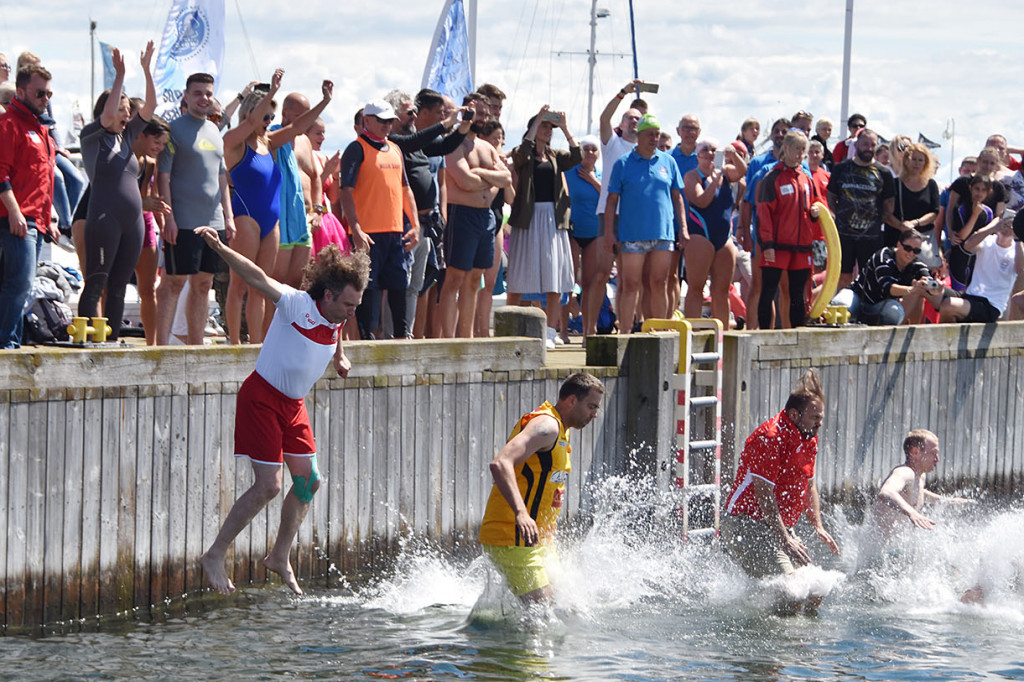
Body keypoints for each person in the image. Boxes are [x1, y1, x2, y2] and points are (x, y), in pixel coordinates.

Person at [197, 225, 369, 596]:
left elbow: (335, 334)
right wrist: (220, 248)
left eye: (357, 305)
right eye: (349, 304)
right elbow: (255, 275)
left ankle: (279, 556)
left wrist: (340, 358)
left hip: (293, 405)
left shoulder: (337, 317)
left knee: (309, 481)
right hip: (262, 397)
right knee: (269, 486)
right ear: (327, 294)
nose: (353, 312)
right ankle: (215, 554)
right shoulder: (296, 304)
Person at [478, 372, 604, 603]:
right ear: (572, 400)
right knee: (542, 610)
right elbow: (500, 463)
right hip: (514, 537)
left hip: (540, 542)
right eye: (591, 406)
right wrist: (521, 513)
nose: (595, 414)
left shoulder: (562, 429)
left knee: (569, 606)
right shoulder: (547, 426)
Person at [722, 369, 840, 609]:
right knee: (794, 593)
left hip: (777, 526)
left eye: (821, 417)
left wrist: (817, 525)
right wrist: (785, 538)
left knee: (816, 592)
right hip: (746, 523)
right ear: (795, 414)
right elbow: (763, 494)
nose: (820, 423)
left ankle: (802, 642)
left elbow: (810, 485)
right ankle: (776, 643)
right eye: (815, 417)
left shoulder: (808, 437)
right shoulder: (771, 436)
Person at [78, 43, 157, 342]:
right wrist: (120, 76)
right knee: (97, 282)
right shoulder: (92, 137)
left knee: (122, 283)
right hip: (104, 216)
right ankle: (88, 340)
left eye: (128, 111)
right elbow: (109, 112)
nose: (126, 115)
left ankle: (110, 342)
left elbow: (150, 106)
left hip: (132, 221)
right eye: (122, 110)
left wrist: (147, 71)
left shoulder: (128, 137)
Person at [156, 72, 236, 345]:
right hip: (183, 221)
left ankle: (195, 344)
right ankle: (162, 347)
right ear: (187, 96)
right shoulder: (174, 130)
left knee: (204, 284)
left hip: (212, 222)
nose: (204, 98)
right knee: (173, 283)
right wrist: (169, 218)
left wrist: (229, 216)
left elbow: (222, 177)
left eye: (208, 93)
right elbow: (163, 176)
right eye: (198, 93)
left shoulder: (215, 130)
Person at [339, 98, 420, 339]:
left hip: (395, 231)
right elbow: (346, 191)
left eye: (390, 121)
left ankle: (402, 333)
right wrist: (355, 227)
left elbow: (406, 189)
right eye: (382, 121)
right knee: (368, 287)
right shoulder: (356, 149)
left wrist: (414, 224)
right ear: (367, 121)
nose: (387, 125)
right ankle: (367, 337)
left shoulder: (395, 149)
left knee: (398, 284)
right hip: (368, 232)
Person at [603, 113, 687, 334]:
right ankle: (625, 332)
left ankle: (658, 330)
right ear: (639, 136)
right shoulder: (623, 163)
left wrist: (683, 229)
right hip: (632, 235)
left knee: (658, 283)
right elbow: (612, 201)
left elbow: (677, 197)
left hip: (663, 233)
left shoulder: (668, 161)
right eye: (649, 134)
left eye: (657, 134)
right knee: (630, 283)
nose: (653, 138)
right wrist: (609, 233)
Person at [505, 106, 580, 347]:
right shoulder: (523, 153)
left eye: (550, 128)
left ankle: (550, 331)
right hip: (529, 217)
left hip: (553, 217)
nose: (548, 131)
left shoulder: (555, 155)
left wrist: (566, 129)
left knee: (554, 275)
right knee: (521, 273)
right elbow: (521, 156)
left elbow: (577, 157)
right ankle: (510, 324)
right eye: (544, 127)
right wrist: (537, 119)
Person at [0, 63, 56, 348]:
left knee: (22, 284)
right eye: (40, 93)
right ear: (20, 91)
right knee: (19, 283)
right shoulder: (9, 125)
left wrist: (51, 220)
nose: (45, 99)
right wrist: (14, 211)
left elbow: (43, 180)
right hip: (18, 218)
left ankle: (12, 341)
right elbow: (1, 173)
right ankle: (6, 345)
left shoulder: (41, 128)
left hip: (36, 219)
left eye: (49, 94)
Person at [755, 131, 820, 329]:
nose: (800, 153)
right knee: (769, 290)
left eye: (803, 149)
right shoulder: (773, 177)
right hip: (777, 246)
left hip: (801, 247)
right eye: (796, 148)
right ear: (786, 148)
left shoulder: (806, 179)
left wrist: (815, 212)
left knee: (797, 293)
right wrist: (767, 244)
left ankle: (797, 334)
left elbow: (815, 205)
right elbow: (763, 214)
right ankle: (765, 333)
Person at [684, 138, 746, 325]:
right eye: (706, 150)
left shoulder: (726, 172)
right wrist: (715, 181)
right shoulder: (692, 176)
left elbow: (743, 171)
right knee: (696, 287)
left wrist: (733, 155)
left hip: (723, 237)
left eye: (714, 150)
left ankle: (722, 335)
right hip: (700, 235)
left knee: (722, 289)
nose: (710, 154)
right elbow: (701, 201)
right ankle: (692, 332)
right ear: (698, 155)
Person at [827, 128, 895, 291]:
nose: (869, 148)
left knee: (869, 277)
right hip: (844, 235)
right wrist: (837, 215)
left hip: (871, 237)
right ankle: (840, 310)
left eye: (873, 145)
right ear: (857, 144)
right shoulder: (841, 168)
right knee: (843, 276)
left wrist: (877, 221)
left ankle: (865, 313)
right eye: (865, 144)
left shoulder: (884, 173)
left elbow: (889, 204)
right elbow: (831, 196)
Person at [873, 429, 968, 539]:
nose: (937, 459)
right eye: (933, 453)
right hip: (878, 553)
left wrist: (945, 500)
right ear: (915, 452)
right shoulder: (904, 472)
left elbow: (918, 493)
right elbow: (886, 492)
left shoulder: (920, 476)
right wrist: (912, 513)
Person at [830, 229, 932, 325]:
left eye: (916, 251)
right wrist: (912, 289)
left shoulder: (916, 264)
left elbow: (929, 280)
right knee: (839, 305)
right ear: (899, 244)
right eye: (908, 248)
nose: (911, 253)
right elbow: (888, 288)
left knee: (895, 313)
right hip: (858, 296)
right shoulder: (884, 256)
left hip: (880, 305)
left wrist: (935, 288)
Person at [131, 115, 171, 345]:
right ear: (142, 136)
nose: (159, 148)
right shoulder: (128, 157)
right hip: (126, 219)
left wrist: (163, 227)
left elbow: (152, 196)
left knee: (148, 289)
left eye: (163, 144)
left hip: (145, 222)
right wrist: (144, 203)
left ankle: (151, 344)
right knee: (111, 287)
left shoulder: (151, 163)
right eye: (156, 142)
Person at [939, 215, 1024, 323]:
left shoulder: (1018, 250)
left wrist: (1017, 237)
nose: (1007, 228)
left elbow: (1020, 269)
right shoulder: (987, 240)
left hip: (991, 305)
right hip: (971, 296)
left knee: (948, 305)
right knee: (931, 293)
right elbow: (967, 246)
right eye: (1006, 224)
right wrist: (993, 227)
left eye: (1011, 225)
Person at [563, 135, 603, 338]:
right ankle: (562, 330)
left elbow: (608, 196)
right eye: (585, 149)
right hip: (571, 231)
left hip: (594, 233)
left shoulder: (602, 174)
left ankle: (589, 330)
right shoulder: (568, 172)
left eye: (593, 149)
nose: (589, 153)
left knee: (589, 283)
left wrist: (593, 180)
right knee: (567, 283)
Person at [884, 143, 941, 269]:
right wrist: (901, 226)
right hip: (897, 238)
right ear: (906, 161)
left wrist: (915, 223)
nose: (917, 163)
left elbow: (934, 212)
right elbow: (886, 212)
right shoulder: (895, 183)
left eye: (920, 160)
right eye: (913, 159)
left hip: (922, 239)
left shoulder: (931, 184)